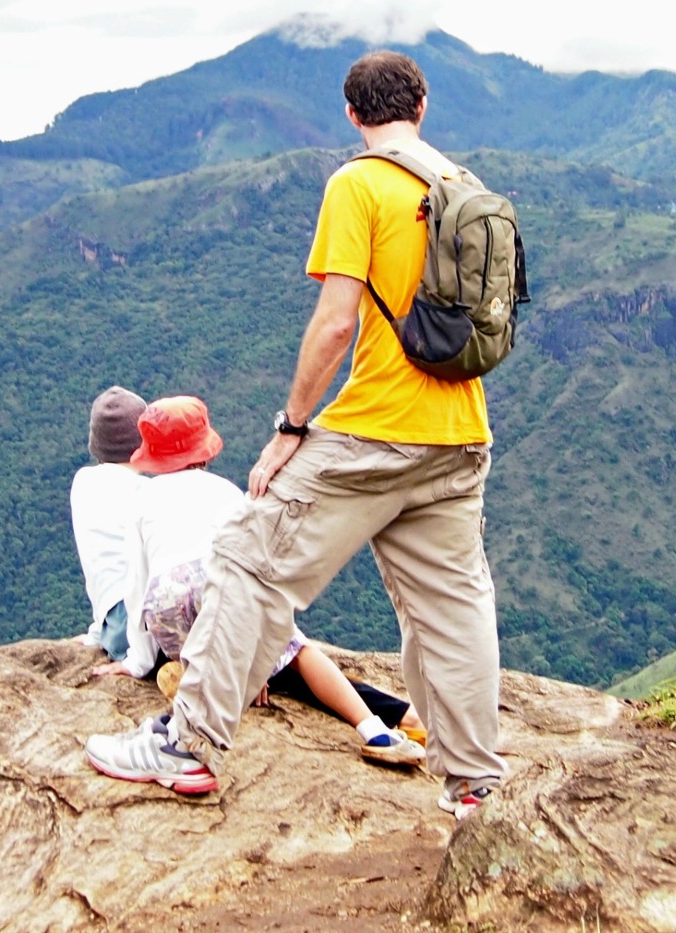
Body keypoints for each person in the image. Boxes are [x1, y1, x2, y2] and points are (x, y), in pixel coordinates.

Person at [97, 50, 508, 819]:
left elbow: (336, 322)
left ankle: (187, 746)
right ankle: (476, 784)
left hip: (375, 431)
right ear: (422, 105)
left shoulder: (358, 184)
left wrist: (291, 426)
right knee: (453, 609)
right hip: (461, 435)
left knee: (248, 562)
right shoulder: (462, 185)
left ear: (353, 115)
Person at [82, 395, 427, 790]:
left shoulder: (143, 501)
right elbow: (259, 567)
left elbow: (138, 588)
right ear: (205, 451)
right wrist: (258, 654)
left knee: (191, 630)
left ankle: (195, 682)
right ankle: (373, 729)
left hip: (168, 605)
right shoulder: (228, 492)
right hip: (222, 588)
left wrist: (136, 660)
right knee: (300, 653)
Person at [68, 385, 154, 663]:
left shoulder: (82, 483)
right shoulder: (148, 494)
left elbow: (104, 568)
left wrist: (97, 633)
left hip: (113, 628)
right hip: (142, 631)